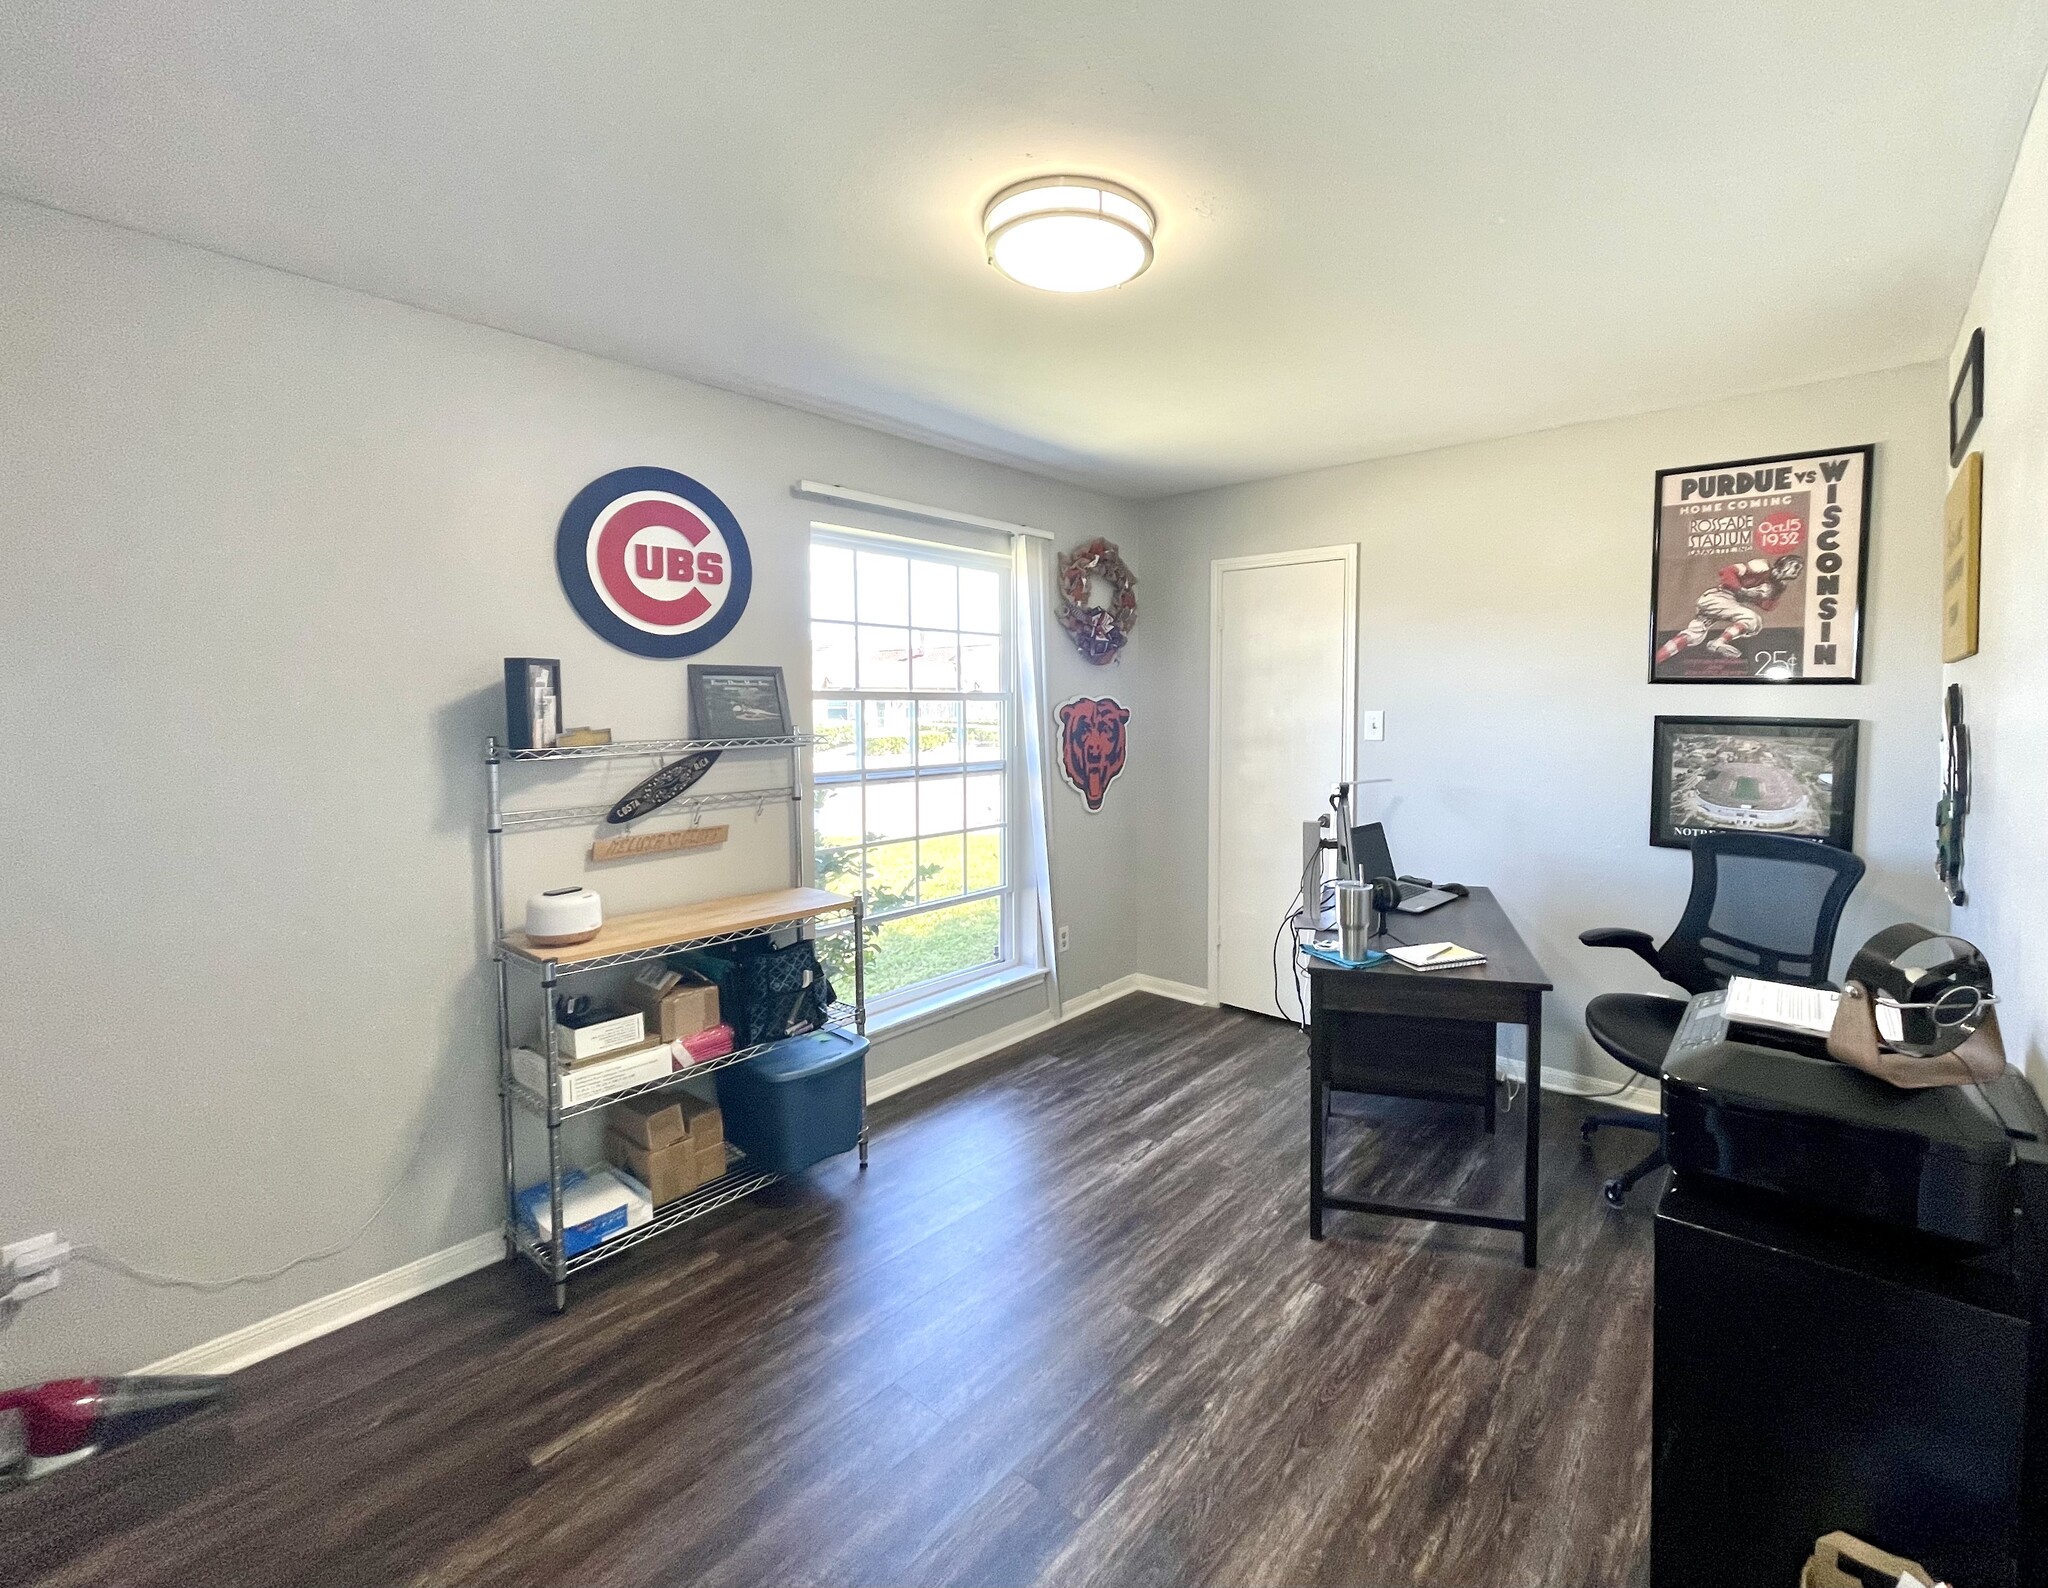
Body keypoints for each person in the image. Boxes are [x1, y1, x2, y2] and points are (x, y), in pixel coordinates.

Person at [1656, 553, 1805, 663]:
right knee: (1752, 619)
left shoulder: (1777, 586)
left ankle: (1656, 659)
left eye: (1800, 569)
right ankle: (1719, 642)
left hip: (1723, 603)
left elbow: (1767, 606)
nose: (1797, 571)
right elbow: (1727, 571)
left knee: (1692, 637)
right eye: (1795, 566)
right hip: (1719, 597)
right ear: (1783, 563)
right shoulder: (1762, 566)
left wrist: (1772, 593)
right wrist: (1743, 591)